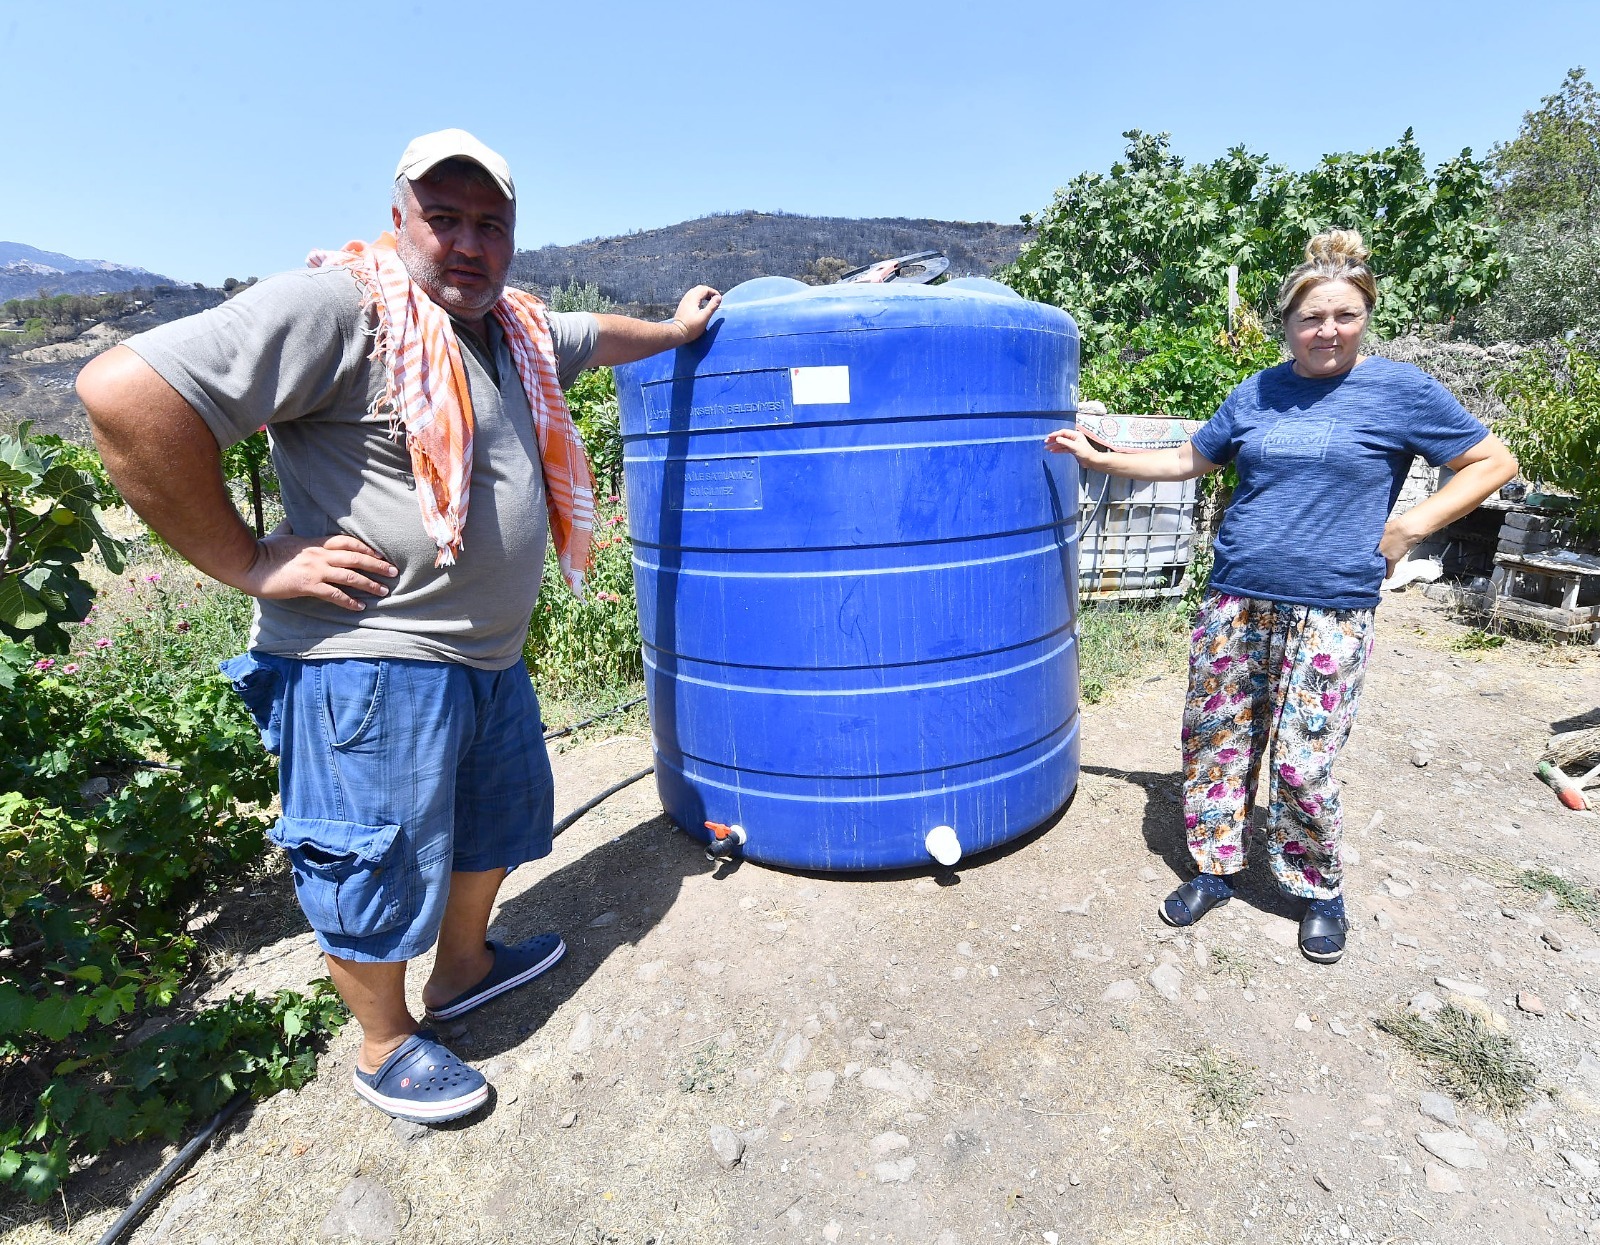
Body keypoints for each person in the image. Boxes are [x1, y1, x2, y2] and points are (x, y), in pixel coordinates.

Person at [76, 129, 722, 1123]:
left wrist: (676, 331)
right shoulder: (345, 309)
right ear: (398, 220)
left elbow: (594, 333)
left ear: (513, 238)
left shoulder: (511, 328)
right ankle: (384, 1043)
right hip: (370, 659)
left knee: (497, 823)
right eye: (443, 218)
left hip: (488, 655)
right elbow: (124, 393)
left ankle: (463, 969)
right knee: (370, 861)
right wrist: (247, 560)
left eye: (490, 225)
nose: (467, 243)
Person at [1046, 229, 1517, 965]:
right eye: (1311, 317)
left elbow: (1492, 461)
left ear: (1365, 318)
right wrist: (1100, 456)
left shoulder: (1400, 391)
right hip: (1236, 597)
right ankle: (1216, 867)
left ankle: (1318, 888)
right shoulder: (1258, 391)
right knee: (1218, 741)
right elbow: (1190, 457)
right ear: (1288, 323)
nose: (1328, 330)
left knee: (1304, 759)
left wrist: (1411, 525)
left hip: (1332, 605)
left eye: (1345, 316)